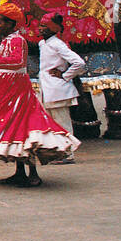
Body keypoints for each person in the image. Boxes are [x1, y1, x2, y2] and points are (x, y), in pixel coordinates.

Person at [0, 0, 79, 186]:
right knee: (14, 132)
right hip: (6, 92)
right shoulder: (5, 42)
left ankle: (33, 174)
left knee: (25, 131)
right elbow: (3, 71)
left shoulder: (18, 40)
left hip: (18, 93)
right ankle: (20, 172)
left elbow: (17, 63)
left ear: (11, 24)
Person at [36, 13, 85, 163]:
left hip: (58, 90)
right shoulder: (42, 44)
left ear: (54, 28)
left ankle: (68, 154)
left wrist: (65, 75)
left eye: (45, 26)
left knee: (62, 123)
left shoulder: (58, 44)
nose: (41, 29)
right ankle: (57, 152)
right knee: (52, 124)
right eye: (41, 25)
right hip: (47, 89)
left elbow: (79, 63)